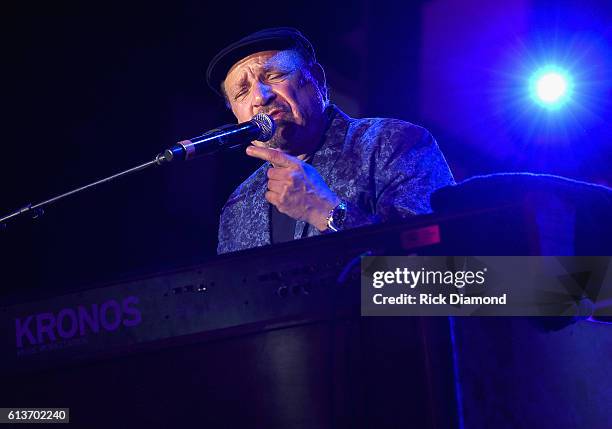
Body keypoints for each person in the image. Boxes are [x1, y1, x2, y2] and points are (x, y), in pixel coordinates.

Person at [206, 27, 454, 255]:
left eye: (275, 75)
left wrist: (327, 212)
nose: (261, 96)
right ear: (235, 115)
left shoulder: (391, 142)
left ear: (318, 81)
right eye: (242, 92)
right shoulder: (238, 204)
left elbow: (439, 278)